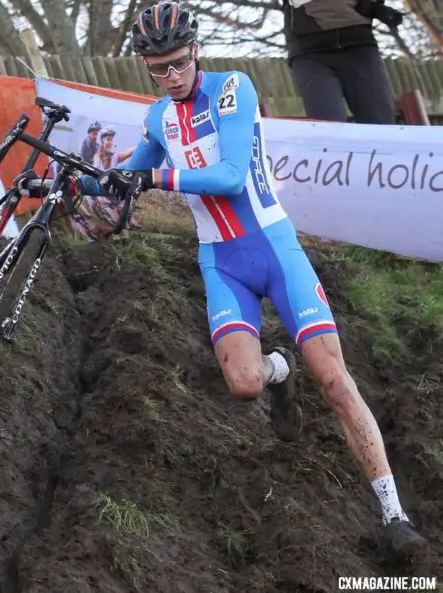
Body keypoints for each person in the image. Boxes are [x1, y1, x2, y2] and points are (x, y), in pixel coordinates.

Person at [76, 1, 427, 558]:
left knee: (334, 381)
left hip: (273, 248)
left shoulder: (231, 88)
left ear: (195, 51)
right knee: (244, 386)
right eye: (157, 70)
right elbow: (124, 178)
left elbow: (231, 176)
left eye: (176, 64)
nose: (170, 77)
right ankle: (277, 368)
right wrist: (71, 180)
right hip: (221, 261)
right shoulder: (156, 119)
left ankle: (394, 513)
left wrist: (152, 175)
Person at [281, 0, 402, 124]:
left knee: (380, 123)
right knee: (328, 126)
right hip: (310, 54)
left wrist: (377, 9)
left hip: (359, 47)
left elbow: (366, 6)